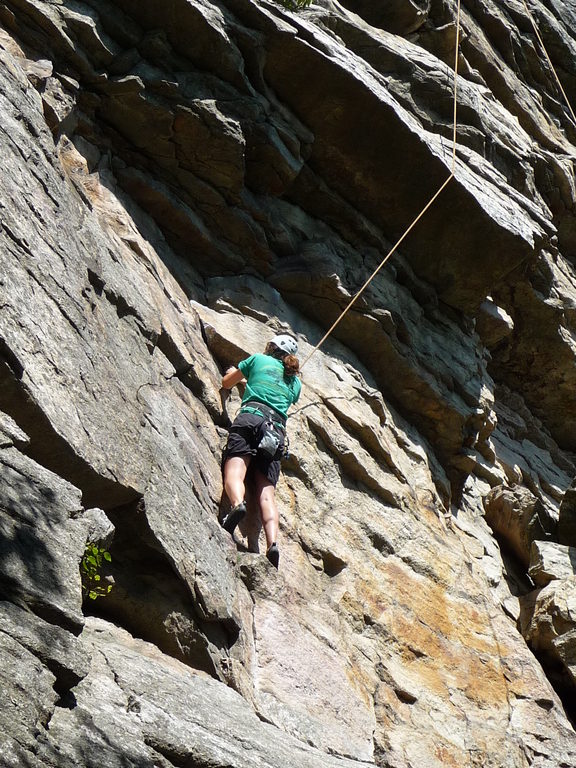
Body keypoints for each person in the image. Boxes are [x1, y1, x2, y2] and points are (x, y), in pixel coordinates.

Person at [220, 334, 302, 569]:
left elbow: (227, 383)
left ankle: (237, 505)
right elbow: (287, 395)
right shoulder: (295, 382)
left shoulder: (257, 359)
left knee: (235, 470)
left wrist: (233, 373)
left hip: (251, 418)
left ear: (271, 348)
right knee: (267, 493)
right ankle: (272, 544)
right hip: (275, 434)